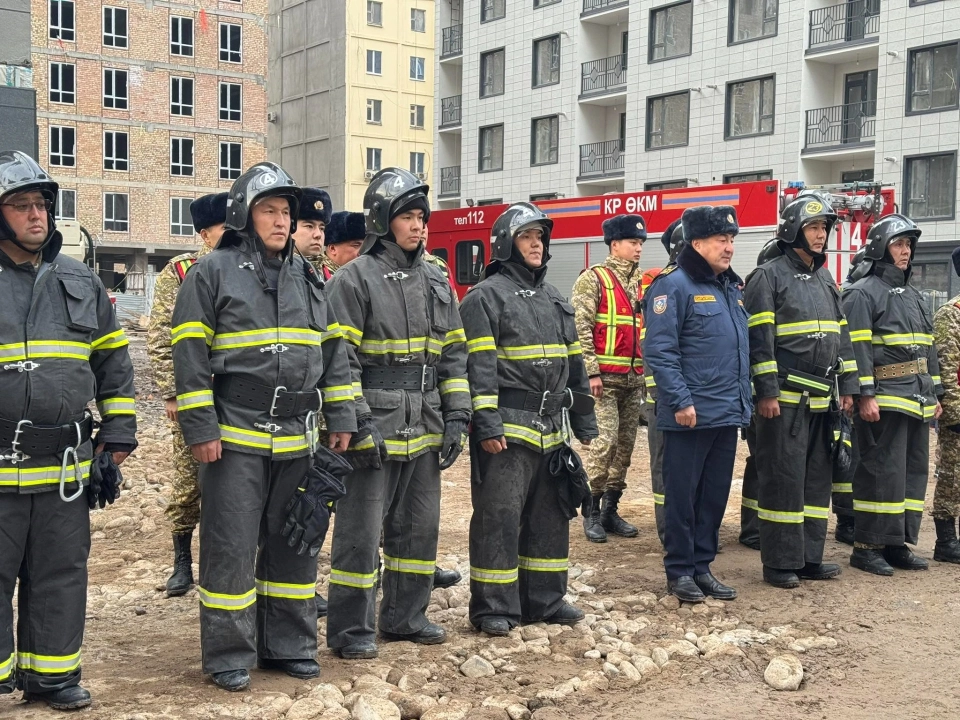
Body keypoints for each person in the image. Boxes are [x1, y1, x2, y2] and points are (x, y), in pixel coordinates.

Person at [172, 162, 357, 691]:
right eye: (268, 211)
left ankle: (289, 645)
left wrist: (341, 415)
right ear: (243, 215)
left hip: (298, 435)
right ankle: (230, 653)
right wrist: (200, 428)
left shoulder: (310, 276)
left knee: (294, 541)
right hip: (234, 435)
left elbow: (334, 351)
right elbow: (188, 355)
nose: (280, 221)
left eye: (285, 213)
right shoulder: (213, 271)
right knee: (230, 547)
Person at [0, 151, 137, 710]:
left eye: (43, 205)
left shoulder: (79, 279)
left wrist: (120, 432)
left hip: (64, 468)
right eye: (22, 206)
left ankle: (52, 677)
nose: (37, 216)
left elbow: (113, 361)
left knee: (60, 573)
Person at [324, 168, 471, 660]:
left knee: (419, 527)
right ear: (382, 220)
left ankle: (406, 618)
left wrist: (458, 416)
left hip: (426, 423)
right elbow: (338, 358)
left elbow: (453, 352)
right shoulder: (352, 278)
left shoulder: (436, 278)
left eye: (422, 217)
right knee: (359, 536)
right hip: (376, 423)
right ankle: (351, 632)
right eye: (407, 216)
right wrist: (357, 422)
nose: (419, 226)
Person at [460, 202, 598, 636]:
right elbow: (476, 367)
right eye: (527, 237)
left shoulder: (555, 298)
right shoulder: (484, 297)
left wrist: (585, 421)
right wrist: (485, 423)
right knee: (498, 518)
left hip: (551, 432)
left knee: (550, 517)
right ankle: (493, 608)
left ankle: (545, 599)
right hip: (506, 431)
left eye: (540, 237)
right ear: (506, 244)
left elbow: (574, 364)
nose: (537, 244)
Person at [743, 198, 857, 588]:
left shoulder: (826, 278)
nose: (821, 234)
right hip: (786, 399)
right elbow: (760, 341)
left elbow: (841, 337)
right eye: (813, 227)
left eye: (825, 227)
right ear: (793, 229)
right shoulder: (766, 276)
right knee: (783, 479)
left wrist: (848, 389)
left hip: (823, 398)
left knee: (815, 483)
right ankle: (779, 562)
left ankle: (809, 558)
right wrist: (767, 392)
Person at [642, 206, 750, 603]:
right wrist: (681, 401)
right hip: (689, 415)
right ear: (697, 243)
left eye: (732, 240)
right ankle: (680, 571)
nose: (729, 247)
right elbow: (660, 349)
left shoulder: (728, 287)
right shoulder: (674, 285)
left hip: (724, 413)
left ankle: (703, 567)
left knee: (713, 496)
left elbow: (738, 351)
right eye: (722, 240)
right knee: (683, 497)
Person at [843, 213, 942, 575]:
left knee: (911, 474)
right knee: (878, 472)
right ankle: (867, 545)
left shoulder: (913, 295)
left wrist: (937, 393)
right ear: (880, 248)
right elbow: (855, 348)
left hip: (917, 399)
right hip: (883, 398)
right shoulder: (861, 292)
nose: (906, 250)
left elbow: (929, 348)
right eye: (899, 243)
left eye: (908, 244)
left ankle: (896, 542)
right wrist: (864, 394)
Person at [147, 192, 227, 597]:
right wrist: (174, 394)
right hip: (196, 396)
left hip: (238, 398)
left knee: (234, 481)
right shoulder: (179, 273)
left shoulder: (246, 268)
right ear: (204, 234)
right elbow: (161, 337)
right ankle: (182, 560)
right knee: (187, 481)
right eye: (223, 229)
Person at [572, 214, 645, 543]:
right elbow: (580, 328)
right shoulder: (594, 279)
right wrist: (591, 372)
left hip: (632, 381)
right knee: (604, 446)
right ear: (614, 245)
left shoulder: (638, 281)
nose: (638, 248)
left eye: (641, 243)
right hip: (604, 381)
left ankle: (610, 510)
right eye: (633, 242)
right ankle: (590, 511)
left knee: (624, 449)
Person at [642, 217, 685, 547]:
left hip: (690, 396)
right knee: (665, 467)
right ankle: (669, 531)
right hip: (664, 397)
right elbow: (657, 348)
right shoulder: (664, 286)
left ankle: (688, 529)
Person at [738, 239, 782, 553]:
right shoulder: (761, 286)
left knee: (769, 463)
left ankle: (759, 526)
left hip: (780, 392)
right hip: (762, 394)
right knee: (762, 462)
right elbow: (758, 345)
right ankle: (752, 528)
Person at [833, 244, 870, 546]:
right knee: (847, 458)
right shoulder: (853, 297)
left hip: (857, 388)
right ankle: (846, 520)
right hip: (847, 392)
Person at [931, 247, 960, 564]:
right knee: (952, 477)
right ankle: (946, 541)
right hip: (958, 414)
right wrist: (953, 412)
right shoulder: (951, 314)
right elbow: (946, 368)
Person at [292, 187, 331, 274]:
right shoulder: (279, 271)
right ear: (290, 228)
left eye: (322, 228)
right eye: (309, 226)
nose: (318, 235)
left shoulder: (329, 275)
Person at [319, 211, 366, 280]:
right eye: (356, 245)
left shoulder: (365, 274)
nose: (363, 251)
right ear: (333, 249)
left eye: (365, 245)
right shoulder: (314, 275)